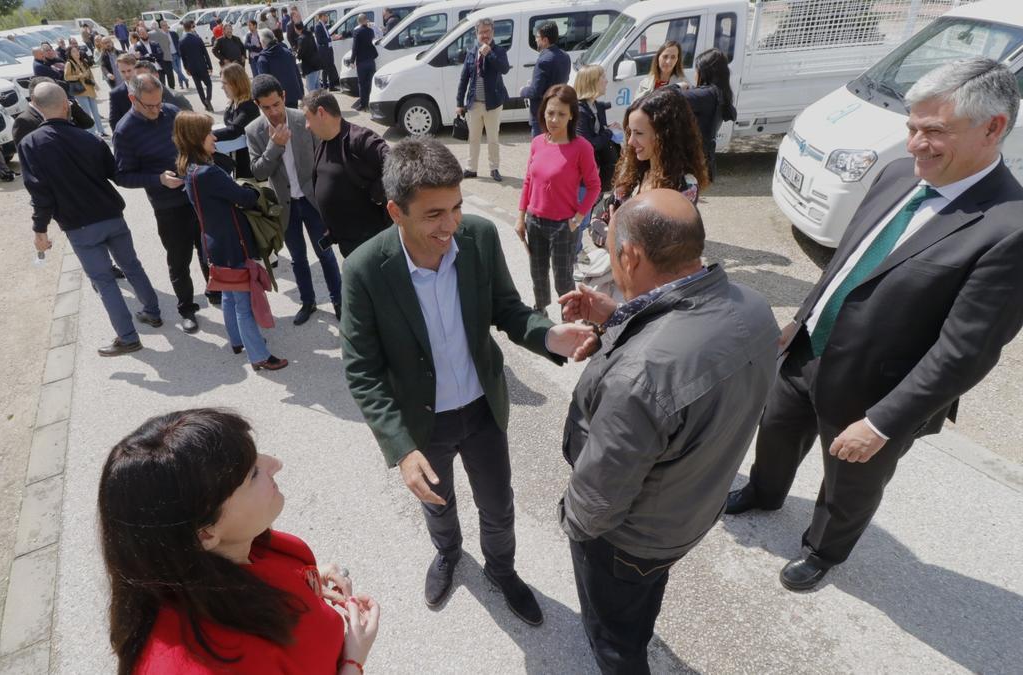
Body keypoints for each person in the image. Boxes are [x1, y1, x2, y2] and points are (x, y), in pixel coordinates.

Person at [726, 57, 1023, 592]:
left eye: (934, 132)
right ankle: (766, 493)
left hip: (876, 393)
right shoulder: (894, 176)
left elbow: (965, 352)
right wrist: (801, 318)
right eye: (911, 128)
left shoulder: (1009, 228)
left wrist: (884, 422)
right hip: (807, 352)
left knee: (851, 484)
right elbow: (847, 261)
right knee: (774, 431)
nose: (914, 145)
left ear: (993, 127)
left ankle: (824, 550)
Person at [340, 137, 595, 626]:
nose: (451, 224)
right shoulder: (365, 270)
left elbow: (508, 310)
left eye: (456, 207)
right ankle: (449, 553)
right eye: (434, 214)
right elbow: (362, 369)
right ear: (396, 211)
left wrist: (549, 336)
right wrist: (400, 446)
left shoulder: (478, 238)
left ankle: (501, 570)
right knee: (439, 504)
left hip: (482, 411)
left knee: (498, 505)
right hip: (423, 421)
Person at [558, 190, 779, 672]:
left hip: (630, 538)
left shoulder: (641, 377)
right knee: (642, 600)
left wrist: (570, 523)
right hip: (691, 507)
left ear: (631, 256)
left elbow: (595, 505)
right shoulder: (755, 307)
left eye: (607, 243)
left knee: (616, 638)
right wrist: (615, 316)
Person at [99, 409, 379, 673]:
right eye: (252, 474)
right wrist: (354, 659)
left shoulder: (233, 552)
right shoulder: (198, 664)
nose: (275, 464)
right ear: (206, 533)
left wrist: (308, 579)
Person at [21, 82, 163, 358]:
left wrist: (40, 229)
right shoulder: (90, 138)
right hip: (110, 213)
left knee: (104, 280)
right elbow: (114, 172)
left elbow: (40, 193)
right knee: (131, 264)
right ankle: (153, 311)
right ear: (67, 105)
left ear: (36, 108)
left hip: (79, 224)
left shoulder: (31, 144)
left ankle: (128, 337)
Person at [175, 112, 288, 371]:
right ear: (195, 138)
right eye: (208, 133)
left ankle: (238, 341)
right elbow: (244, 197)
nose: (214, 137)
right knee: (244, 303)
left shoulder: (190, 168)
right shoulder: (208, 173)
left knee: (228, 294)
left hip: (214, 243)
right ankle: (259, 356)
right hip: (230, 244)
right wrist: (249, 190)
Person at [114, 74, 210, 334]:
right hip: (168, 206)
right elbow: (123, 176)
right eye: (150, 106)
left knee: (206, 249)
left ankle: (216, 293)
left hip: (196, 196)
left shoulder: (171, 112)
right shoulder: (125, 131)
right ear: (132, 99)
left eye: (159, 103)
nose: (157, 110)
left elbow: (191, 143)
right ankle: (187, 308)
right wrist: (157, 179)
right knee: (179, 259)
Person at [245, 74, 342, 325]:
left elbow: (325, 156)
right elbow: (258, 172)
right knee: (298, 258)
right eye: (266, 107)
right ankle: (308, 302)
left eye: (276, 104)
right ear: (258, 105)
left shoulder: (302, 120)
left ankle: (339, 301)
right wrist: (274, 147)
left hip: (313, 202)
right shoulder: (254, 131)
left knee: (326, 255)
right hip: (285, 208)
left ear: (284, 97)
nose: (274, 111)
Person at [516, 84, 600, 314]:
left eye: (561, 114)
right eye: (550, 112)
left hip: (564, 226)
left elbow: (594, 186)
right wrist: (521, 217)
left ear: (572, 115)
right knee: (538, 274)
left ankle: (569, 318)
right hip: (535, 222)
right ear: (543, 111)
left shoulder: (581, 147)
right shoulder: (537, 143)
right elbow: (528, 182)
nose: (554, 119)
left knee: (563, 281)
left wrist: (577, 219)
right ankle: (540, 310)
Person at [302, 89, 390, 255]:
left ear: (321, 112)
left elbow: (396, 163)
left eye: (308, 118)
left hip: (374, 246)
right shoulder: (323, 146)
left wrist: (378, 191)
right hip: (348, 246)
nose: (307, 126)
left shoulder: (360, 139)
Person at [611, 87, 710, 207]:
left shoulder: (683, 187)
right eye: (629, 132)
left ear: (665, 136)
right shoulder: (633, 171)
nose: (630, 141)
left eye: (639, 133)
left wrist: (614, 222)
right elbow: (606, 210)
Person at [456, 18, 510, 182]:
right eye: (482, 32)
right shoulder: (471, 51)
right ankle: (471, 169)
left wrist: (489, 53)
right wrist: (459, 103)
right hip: (474, 103)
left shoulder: (499, 50)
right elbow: (464, 78)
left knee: (493, 138)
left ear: (493, 32)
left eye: (488, 31)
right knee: (473, 138)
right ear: (477, 34)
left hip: (492, 104)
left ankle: (494, 168)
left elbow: (504, 69)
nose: (485, 35)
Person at [674, 48, 737, 180]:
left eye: (697, 70)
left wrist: (678, 86)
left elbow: (666, 97)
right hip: (703, 160)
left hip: (690, 163)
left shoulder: (706, 94)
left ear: (704, 72)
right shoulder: (720, 93)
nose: (695, 74)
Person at [573, 64, 617, 252]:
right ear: (592, 82)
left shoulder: (596, 106)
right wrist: (608, 133)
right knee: (580, 219)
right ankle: (573, 255)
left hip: (597, 171)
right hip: (582, 175)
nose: (606, 81)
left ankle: (577, 249)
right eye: (603, 77)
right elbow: (588, 144)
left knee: (586, 215)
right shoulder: (580, 111)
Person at [13, 76, 96, 146]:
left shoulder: (62, 107)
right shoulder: (23, 121)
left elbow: (88, 123)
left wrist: (71, 106)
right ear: (33, 97)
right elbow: (26, 152)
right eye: (48, 94)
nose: (53, 97)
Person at [520, 22, 570, 137]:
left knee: (541, 150)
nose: (536, 40)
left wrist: (523, 90)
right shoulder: (565, 56)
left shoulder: (544, 60)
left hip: (542, 114)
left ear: (545, 40)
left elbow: (535, 91)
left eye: (537, 37)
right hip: (559, 109)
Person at [217, 64, 259, 178]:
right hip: (236, 157)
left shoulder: (249, 106)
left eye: (224, 83)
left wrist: (205, 134)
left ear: (236, 83)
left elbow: (234, 130)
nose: (222, 87)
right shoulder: (233, 102)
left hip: (249, 162)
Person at [252, 28, 305, 109]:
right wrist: (301, 93)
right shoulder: (287, 52)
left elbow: (265, 85)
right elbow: (297, 74)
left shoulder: (263, 59)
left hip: (276, 101)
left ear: (262, 42)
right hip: (292, 96)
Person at [63, 45, 107, 137]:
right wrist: (79, 76)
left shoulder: (83, 61)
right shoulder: (69, 63)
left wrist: (95, 84)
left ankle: (101, 131)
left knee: (95, 111)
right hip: (80, 90)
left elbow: (89, 73)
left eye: (77, 51)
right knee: (87, 112)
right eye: (74, 51)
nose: (77, 53)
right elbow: (66, 77)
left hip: (89, 88)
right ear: (70, 54)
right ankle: (92, 133)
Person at [180, 20, 214, 111]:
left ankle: (205, 104)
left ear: (184, 28)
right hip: (202, 65)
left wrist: (186, 68)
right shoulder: (197, 39)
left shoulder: (181, 41)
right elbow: (205, 53)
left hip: (192, 67)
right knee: (209, 84)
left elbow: (183, 57)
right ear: (191, 27)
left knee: (199, 87)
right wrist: (210, 66)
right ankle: (208, 100)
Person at [351, 14, 377, 111]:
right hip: (371, 60)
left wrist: (352, 60)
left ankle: (363, 104)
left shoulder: (357, 32)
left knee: (362, 84)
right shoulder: (370, 31)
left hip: (361, 62)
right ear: (366, 20)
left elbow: (355, 48)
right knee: (370, 83)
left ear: (358, 22)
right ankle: (371, 103)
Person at [108, 53, 139, 131]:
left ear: (135, 68)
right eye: (123, 72)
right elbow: (114, 122)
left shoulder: (149, 84)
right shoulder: (116, 94)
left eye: (129, 70)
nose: (127, 74)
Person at [294, 22, 323, 92]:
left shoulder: (302, 38)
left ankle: (315, 102)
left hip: (310, 66)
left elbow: (300, 54)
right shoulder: (310, 34)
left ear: (296, 29)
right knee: (317, 86)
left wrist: (296, 54)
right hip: (317, 64)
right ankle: (321, 101)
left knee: (311, 89)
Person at [314, 11, 340, 91]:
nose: (327, 18)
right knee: (325, 69)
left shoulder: (324, 25)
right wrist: (331, 38)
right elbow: (320, 40)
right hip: (323, 51)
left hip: (328, 49)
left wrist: (332, 36)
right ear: (322, 17)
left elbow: (325, 37)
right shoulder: (318, 26)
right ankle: (325, 86)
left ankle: (331, 86)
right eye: (326, 16)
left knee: (330, 67)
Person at [150, 21, 176, 90]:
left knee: (166, 75)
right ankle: (168, 88)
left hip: (162, 58)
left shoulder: (154, 34)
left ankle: (168, 88)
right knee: (166, 75)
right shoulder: (159, 34)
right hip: (163, 58)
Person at [165, 20, 190, 90]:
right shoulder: (162, 36)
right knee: (176, 70)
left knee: (179, 70)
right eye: (163, 26)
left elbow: (178, 42)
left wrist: (180, 51)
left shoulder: (173, 33)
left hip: (177, 54)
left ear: (167, 26)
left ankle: (181, 84)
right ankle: (185, 79)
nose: (165, 27)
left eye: (166, 25)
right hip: (170, 56)